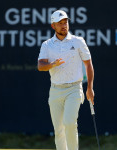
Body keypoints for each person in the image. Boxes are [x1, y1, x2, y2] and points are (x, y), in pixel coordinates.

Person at [38, 10, 94, 150]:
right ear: (53, 26)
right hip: (56, 90)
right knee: (59, 130)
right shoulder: (47, 45)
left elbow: (88, 64)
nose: (64, 25)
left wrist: (90, 88)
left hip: (74, 88)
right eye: (60, 23)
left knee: (69, 123)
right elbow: (40, 66)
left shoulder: (78, 41)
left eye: (65, 22)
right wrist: (52, 65)